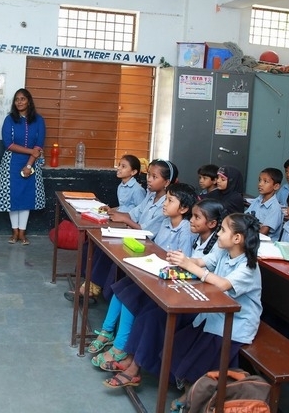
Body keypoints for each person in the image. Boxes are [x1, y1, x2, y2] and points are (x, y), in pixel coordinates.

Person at [102, 213, 262, 390]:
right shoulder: (224, 253)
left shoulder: (248, 267)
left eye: (222, 230)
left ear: (237, 238)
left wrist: (190, 266)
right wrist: (181, 260)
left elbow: (223, 284)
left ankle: (187, 393)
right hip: (207, 309)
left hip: (231, 324)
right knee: (153, 316)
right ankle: (132, 364)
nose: (217, 234)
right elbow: (201, 261)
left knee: (187, 349)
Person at [89, 197, 225, 373]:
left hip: (191, 296)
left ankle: (122, 350)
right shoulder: (198, 237)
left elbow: (199, 270)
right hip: (177, 282)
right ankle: (110, 335)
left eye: (197, 217)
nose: (192, 220)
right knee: (123, 289)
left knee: (139, 304)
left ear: (213, 223)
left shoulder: (205, 241)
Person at [66, 160, 178, 304]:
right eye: (148, 175)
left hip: (147, 246)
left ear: (167, 182)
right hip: (135, 237)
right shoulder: (151, 196)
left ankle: (92, 291)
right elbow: (134, 213)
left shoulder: (166, 205)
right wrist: (114, 212)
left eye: (154, 177)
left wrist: (126, 220)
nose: (148, 179)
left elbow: (148, 232)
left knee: (112, 255)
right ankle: (88, 285)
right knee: (101, 246)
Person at [0, 88, 46, 245]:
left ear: (29, 101)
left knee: (26, 197)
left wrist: (29, 164)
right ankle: (14, 232)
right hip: (11, 162)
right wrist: (31, 151)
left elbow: (39, 146)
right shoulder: (9, 119)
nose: (19, 102)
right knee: (13, 197)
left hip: (32, 162)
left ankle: (22, 233)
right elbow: (8, 144)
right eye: (17, 99)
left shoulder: (38, 120)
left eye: (23, 99)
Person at [245, 167, 284, 238]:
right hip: (252, 236)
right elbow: (245, 218)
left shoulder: (275, 208)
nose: (260, 184)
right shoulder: (258, 200)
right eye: (260, 180)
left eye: (265, 181)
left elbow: (263, 232)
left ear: (276, 186)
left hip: (264, 243)